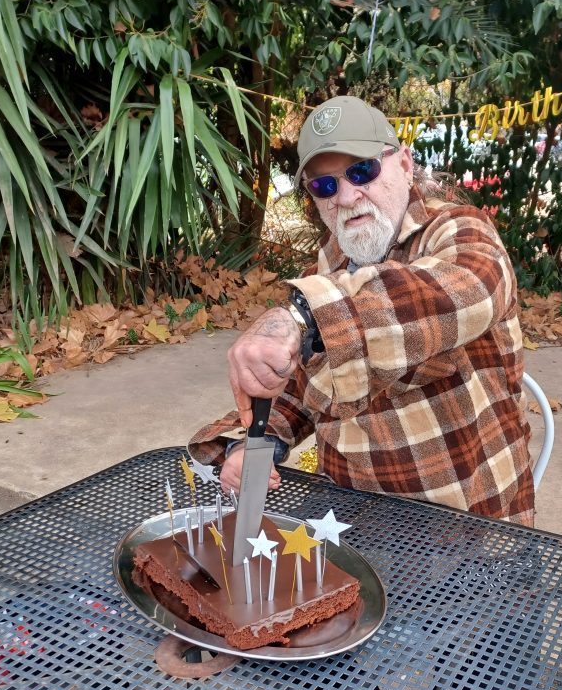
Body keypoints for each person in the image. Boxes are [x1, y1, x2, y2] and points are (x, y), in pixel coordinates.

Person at [188, 95, 535, 525]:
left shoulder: (458, 232)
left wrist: (300, 317)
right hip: (347, 511)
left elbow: (467, 291)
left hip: (464, 523)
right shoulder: (326, 269)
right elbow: (300, 390)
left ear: (404, 166)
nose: (347, 196)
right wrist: (253, 443)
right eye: (325, 185)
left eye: (362, 170)